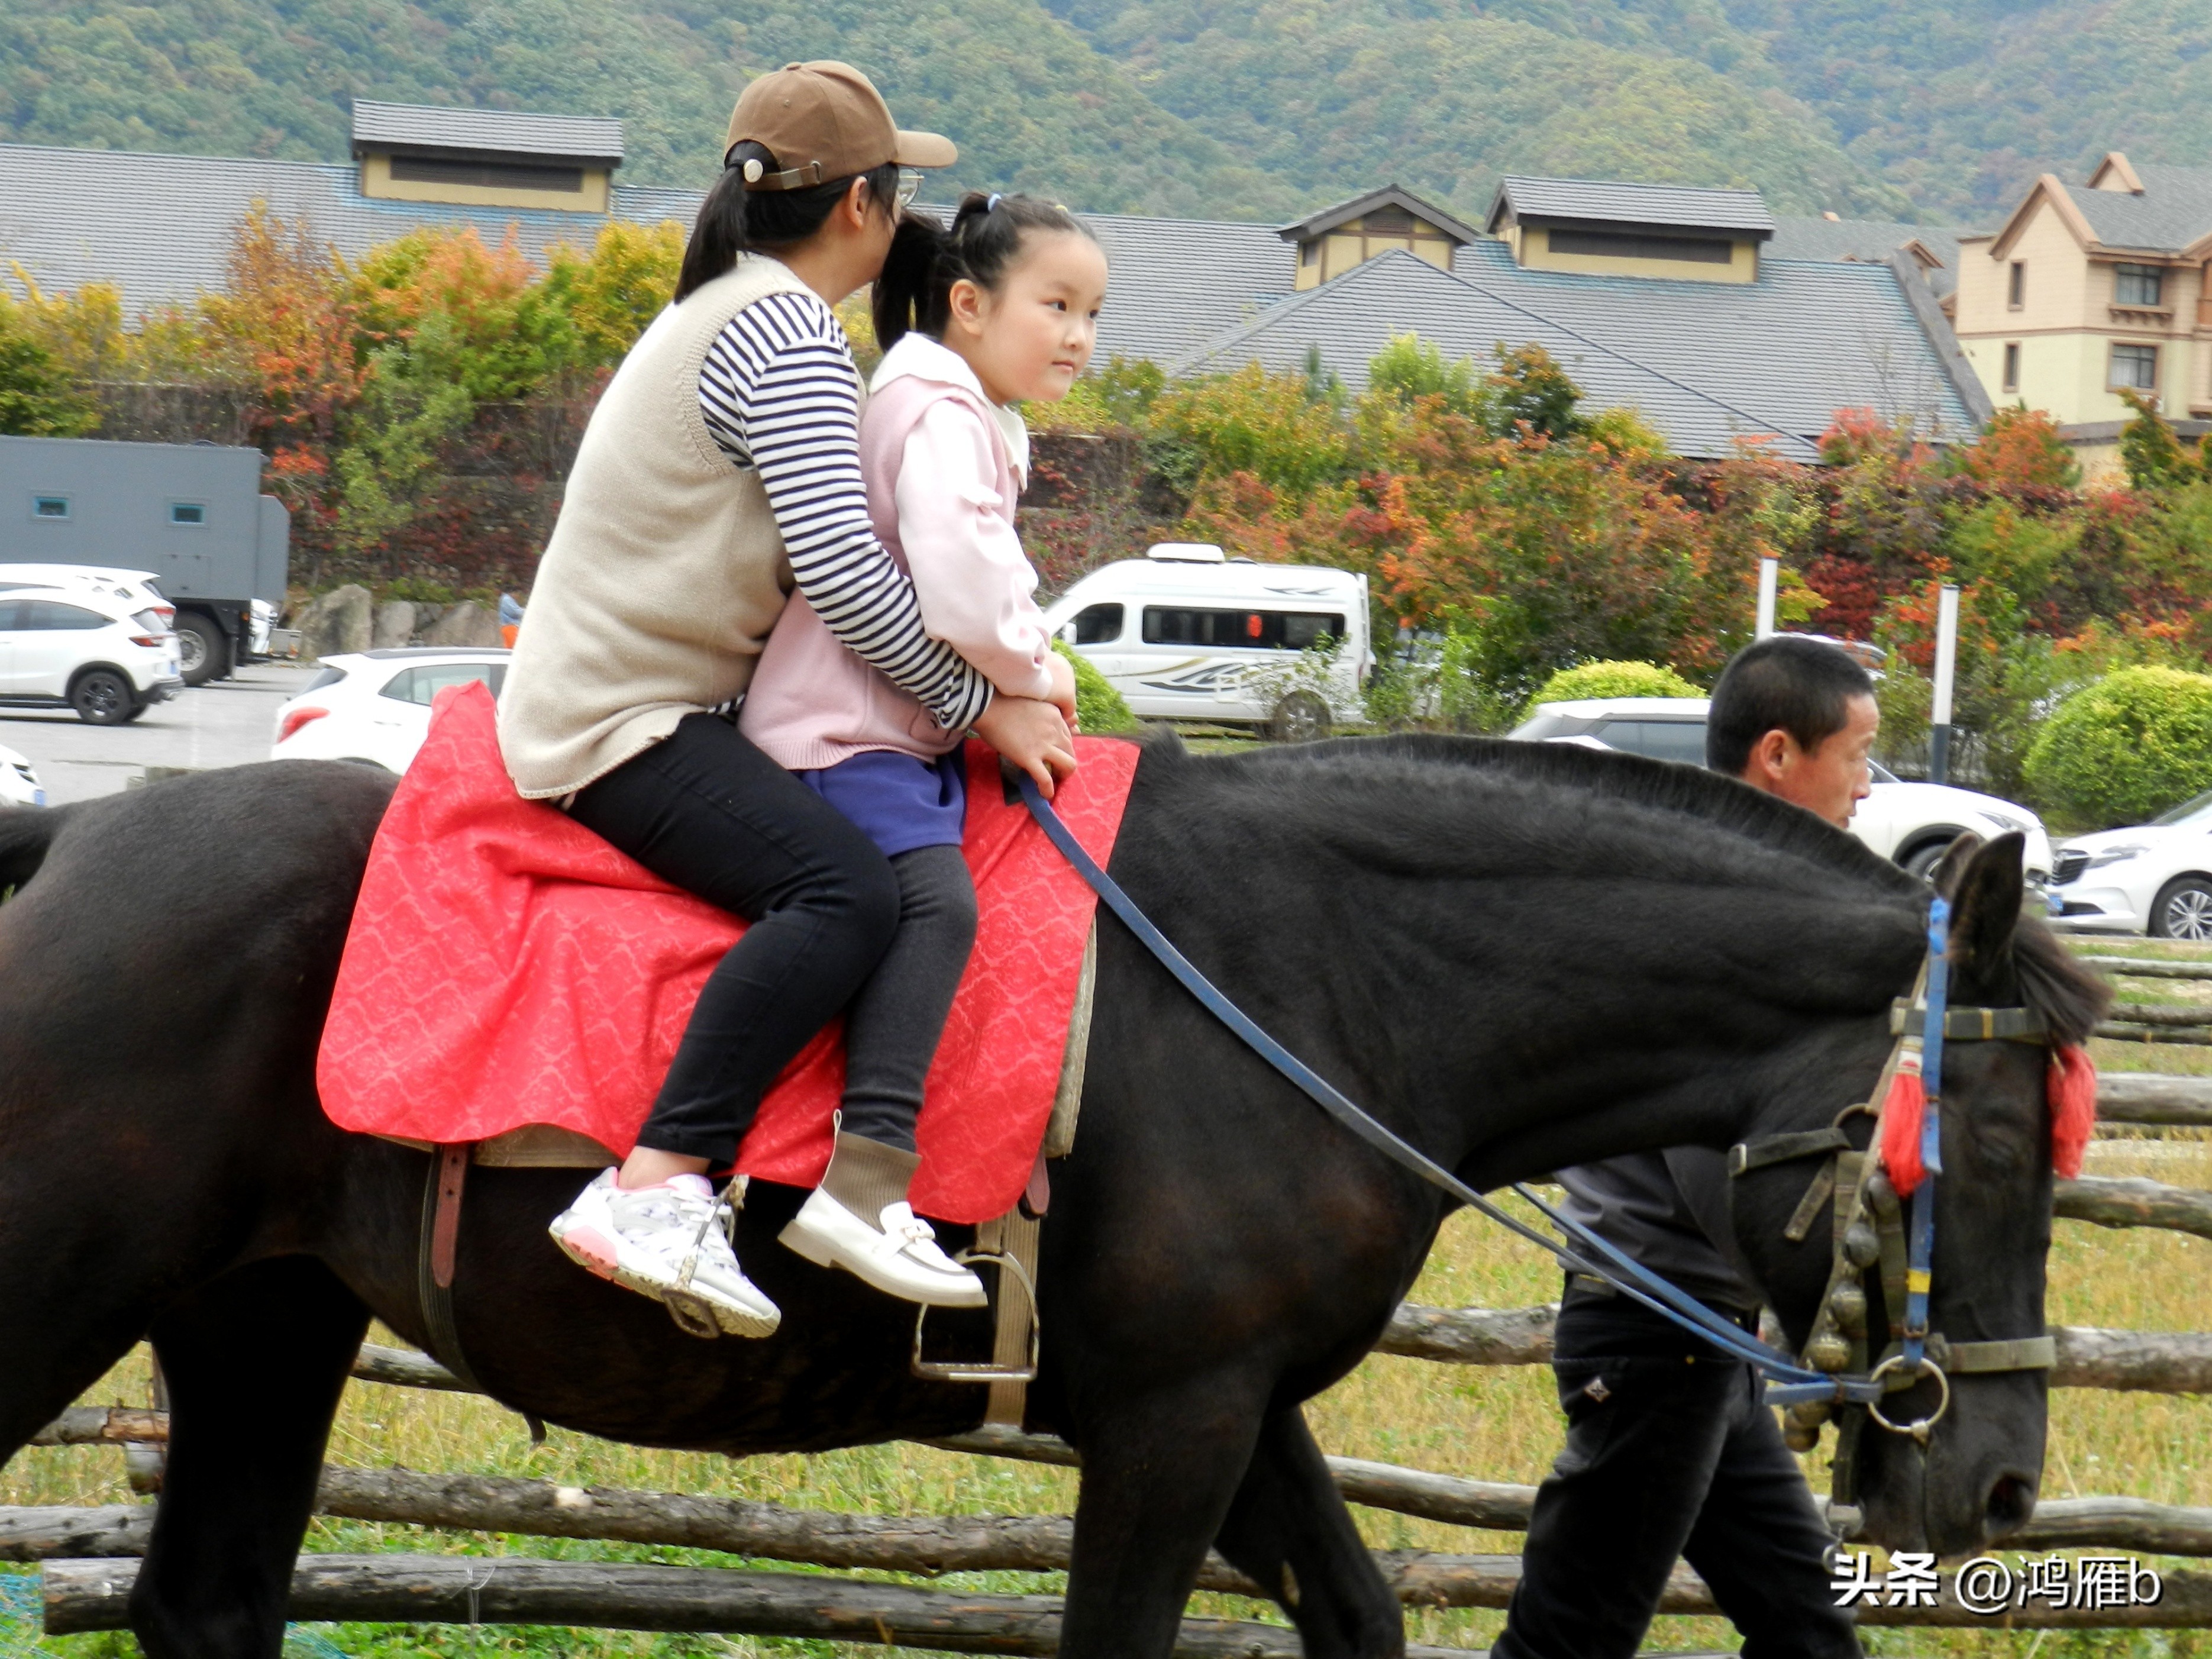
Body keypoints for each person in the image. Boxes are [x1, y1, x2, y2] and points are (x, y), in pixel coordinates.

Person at [499, 61, 1076, 1340]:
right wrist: (990, 708)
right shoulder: (787, 336)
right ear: (860, 208)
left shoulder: (735, 307)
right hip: (624, 721)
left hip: (646, 702)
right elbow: (853, 585)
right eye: (897, 190)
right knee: (846, 891)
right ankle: (655, 1181)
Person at [740, 192, 1107, 1306]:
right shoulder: (943, 411)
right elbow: (963, 580)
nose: (1079, 336)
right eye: (1055, 305)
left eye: (1093, 313)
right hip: (846, 730)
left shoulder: (954, 400)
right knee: (936, 904)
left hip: (889, 722)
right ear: (968, 302)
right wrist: (1039, 670)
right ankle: (866, 1180)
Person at [1492, 634, 1880, 1659]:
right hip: (1658, 1333)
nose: (1870, 787)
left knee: (1809, 1637)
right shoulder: (1710, 915)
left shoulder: (1736, 900)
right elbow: (1716, 1158)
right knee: (1570, 1644)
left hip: (1707, 1340)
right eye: (1859, 754)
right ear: (1781, 755)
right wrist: (1829, 1323)